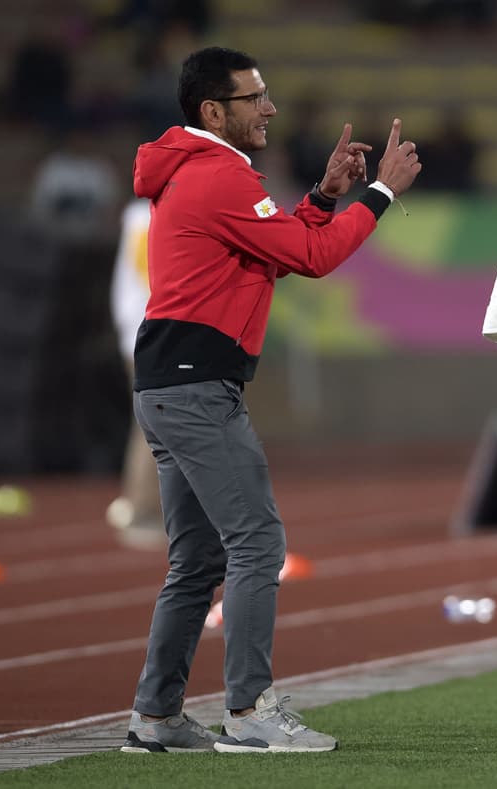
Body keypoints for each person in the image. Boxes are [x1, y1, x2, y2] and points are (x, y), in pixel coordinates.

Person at [120, 46, 421, 754]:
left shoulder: (194, 171)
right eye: (255, 96)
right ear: (213, 111)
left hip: (171, 381)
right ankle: (250, 712)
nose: (271, 107)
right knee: (257, 541)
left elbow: (278, 249)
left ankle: (156, 716)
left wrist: (323, 198)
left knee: (196, 561)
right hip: (196, 386)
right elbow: (312, 260)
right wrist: (380, 194)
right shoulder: (218, 175)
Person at [104, 197, 164, 551]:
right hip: (150, 330)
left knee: (154, 423)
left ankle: (151, 510)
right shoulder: (146, 214)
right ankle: (141, 511)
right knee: (152, 424)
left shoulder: (138, 212)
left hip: (144, 329)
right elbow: (149, 267)